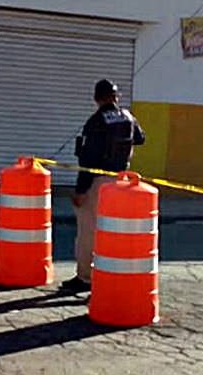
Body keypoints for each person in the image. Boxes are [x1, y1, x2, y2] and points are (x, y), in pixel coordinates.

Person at [61, 79, 145, 293]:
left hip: (99, 183)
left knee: (88, 230)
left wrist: (80, 191)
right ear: (116, 97)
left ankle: (85, 277)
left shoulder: (96, 121)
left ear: (97, 99)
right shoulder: (128, 117)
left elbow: (87, 160)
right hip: (122, 181)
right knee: (115, 231)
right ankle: (112, 272)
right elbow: (140, 138)